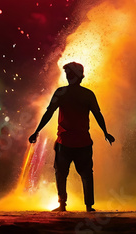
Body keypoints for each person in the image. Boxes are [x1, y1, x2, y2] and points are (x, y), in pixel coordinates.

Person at [29, 62, 115, 212]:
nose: (68, 77)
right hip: (81, 143)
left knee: (61, 173)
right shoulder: (87, 94)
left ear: (74, 76)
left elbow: (49, 113)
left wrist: (37, 131)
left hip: (65, 142)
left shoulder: (61, 93)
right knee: (86, 174)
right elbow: (97, 114)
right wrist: (105, 132)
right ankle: (88, 206)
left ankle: (63, 204)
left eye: (69, 74)